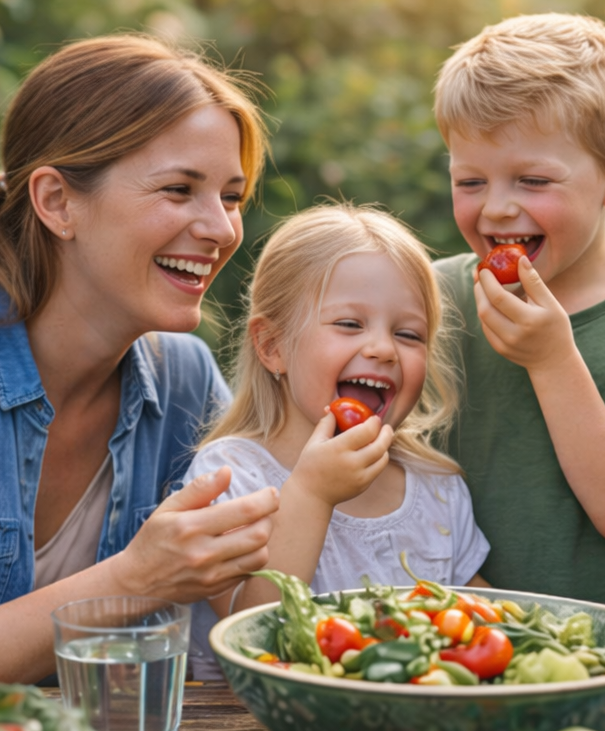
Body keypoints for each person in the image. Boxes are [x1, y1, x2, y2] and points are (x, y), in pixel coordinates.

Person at [0, 34, 281, 688]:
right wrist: (135, 582)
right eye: (180, 190)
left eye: (231, 197)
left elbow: (250, 611)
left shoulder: (184, 380)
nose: (220, 229)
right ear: (57, 202)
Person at [431, 13, 605, 612]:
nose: (497, 210)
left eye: (532, 180)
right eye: (470, 181)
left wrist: (553, 358)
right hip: (451, 653)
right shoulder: (431, 298)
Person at [183, 204, 490, 679]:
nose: (383, 349)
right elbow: (252, 626)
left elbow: (478, 618)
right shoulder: (230, 475)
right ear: (273, 346)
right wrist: (311, 493)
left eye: (409, 334)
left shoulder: (436, 489)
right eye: (350, 324)